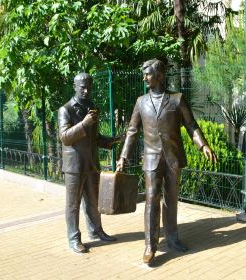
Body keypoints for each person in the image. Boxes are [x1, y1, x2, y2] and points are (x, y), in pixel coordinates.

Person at [117, 59, 217, 264]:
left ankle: (172, 237)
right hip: (151, 158)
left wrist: (203, 145)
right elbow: (132, 131)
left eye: (149, 74)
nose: (145, 77)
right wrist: (123, 157)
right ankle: (149, 245)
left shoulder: (177, 99)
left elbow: (191, 125)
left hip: (173, 157)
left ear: (160, 76)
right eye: (144, 74)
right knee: (152, 198)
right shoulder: (140, 102)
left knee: (171, 200)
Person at [58, 73, 119, 253]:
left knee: (93, 201)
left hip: (91, 164)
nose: (86, 90)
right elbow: (65, 137)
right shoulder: (66, 110)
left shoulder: (91, 107)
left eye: (89, 87)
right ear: (75, 86)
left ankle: (96, 231)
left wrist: (111, 141)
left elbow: (95, 138)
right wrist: (84, 124)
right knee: (73, 204)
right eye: (82, 87)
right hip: (74, 166)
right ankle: (73, 238)